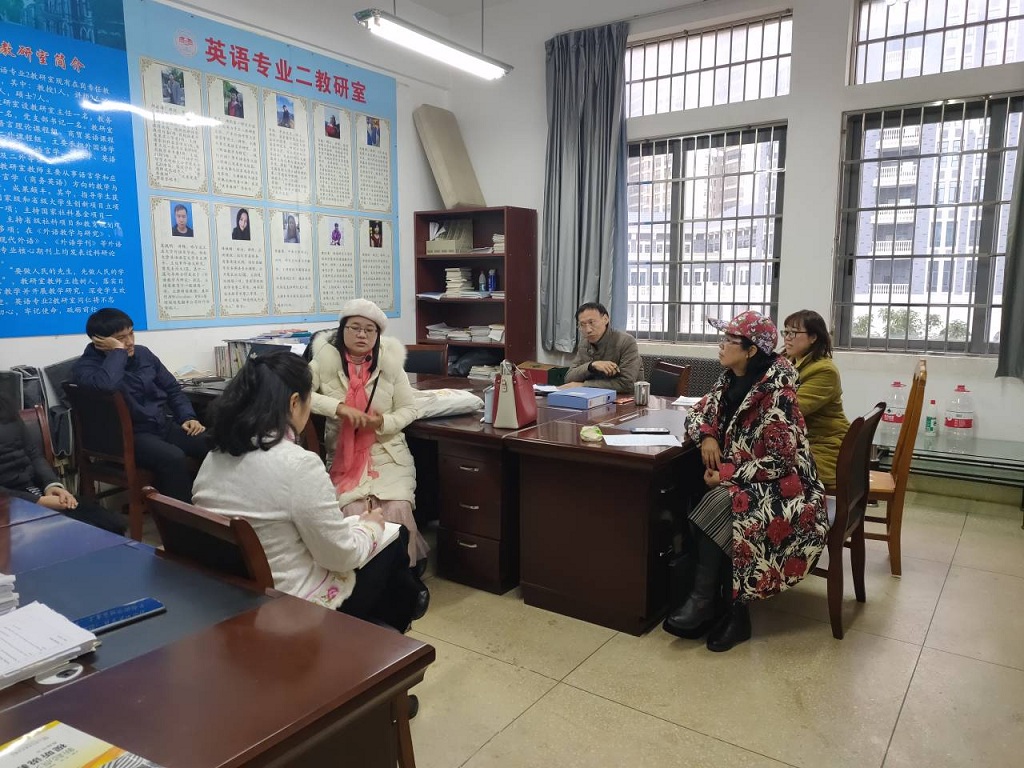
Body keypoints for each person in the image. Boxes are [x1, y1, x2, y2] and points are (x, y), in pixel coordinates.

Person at [192, 351, 424, 640]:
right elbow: (341, 556)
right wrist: (370, 527)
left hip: (232, 596)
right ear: (294, 402)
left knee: (380, 550)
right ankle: (384, 642)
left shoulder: (215, 455)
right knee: (393, 537)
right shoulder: (298, 464)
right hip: (290, 607)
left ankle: (395, 618)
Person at [663, 310, 826, 652]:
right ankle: (714, 603)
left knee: (722, 504)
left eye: (729, 340)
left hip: (788, 488)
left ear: (752, 350)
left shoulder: (777, 393)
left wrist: (726, 475)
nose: (721, 345)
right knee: (703, 494)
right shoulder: (730, 379)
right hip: (750, 477)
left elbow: (781, 462)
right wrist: (708, 436)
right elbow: (698, 412)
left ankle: (724, 609)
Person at [307, 298, 430, 605]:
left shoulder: (390, 363)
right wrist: (339, 408)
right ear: (342, 330)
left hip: (388, 452)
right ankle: (364, 581)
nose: (362, 335)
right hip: (344, 456)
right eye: (355, 328)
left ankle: (403, 579)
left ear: (377, 335)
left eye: (369, 330)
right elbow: (301, 394)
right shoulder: (324, 360)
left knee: (397, 507)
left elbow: (409, 409)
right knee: (353, 509)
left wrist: (383, 422)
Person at [72, 308, 208, 502]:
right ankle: (181, 517)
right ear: (100, 342)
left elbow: (172, 388)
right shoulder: (85, 368)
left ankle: (214, 505)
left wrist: (188, 416)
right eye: (121, 338)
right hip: (129, 437)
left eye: (131, 333)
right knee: (173, 457)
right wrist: (118, 352)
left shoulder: (144, 354)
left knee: (212, 442)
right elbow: (107, 386)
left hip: (161, 425)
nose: (129, 342)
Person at [0, 394, 126, 534]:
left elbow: (33, 453)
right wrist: (38, 501)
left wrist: (52, 485)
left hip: (34, 489)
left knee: (112, 523)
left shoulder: (6, 407)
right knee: (84, 532)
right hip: (10, 504)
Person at [782, 309, 849, 489]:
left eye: (793, 333)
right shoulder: (787, 361)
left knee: (768, 471)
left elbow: (791, 410)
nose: (787, 338)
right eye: (785, 332)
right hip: (799, 443)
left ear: (813, 337)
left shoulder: (824, 370)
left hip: (823, 448)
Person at [561, 302, 641, 393]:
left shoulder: (626, 341)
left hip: (624, 398)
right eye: (582, 325)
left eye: (592, 322)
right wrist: (591, 366)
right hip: (593, 397)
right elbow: (569, 378)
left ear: (605, 319)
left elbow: (627, 384)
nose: (588, 330)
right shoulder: (584, 342)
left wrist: (584, 385)